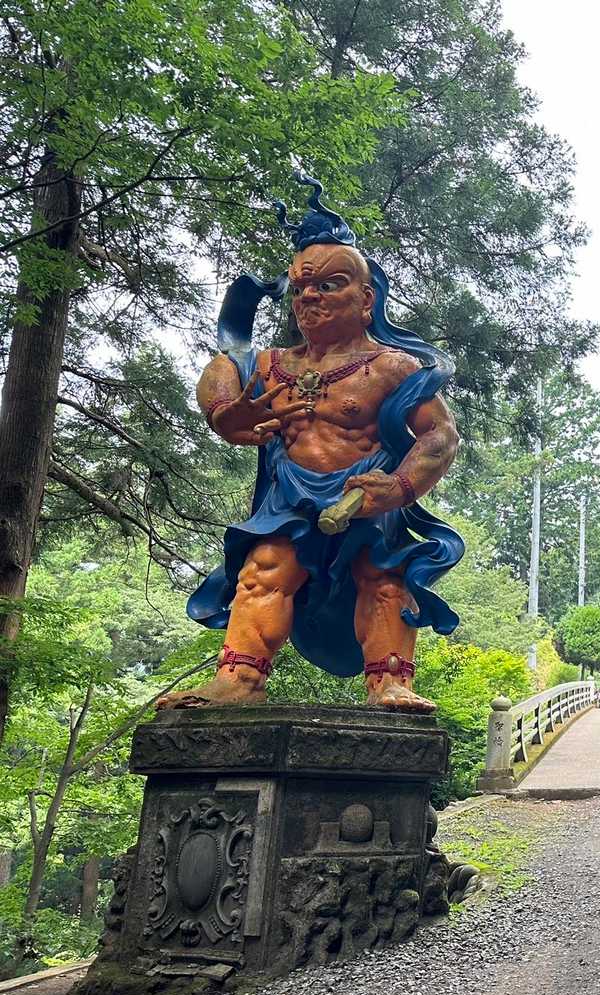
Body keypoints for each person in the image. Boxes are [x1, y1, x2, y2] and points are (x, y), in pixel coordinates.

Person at [158, 176, 462, 711]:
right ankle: (239, 681)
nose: (309, 298)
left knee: (383, 578)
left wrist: (397, 488)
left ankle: (389, 683)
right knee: (263, 571)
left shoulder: (392, 367)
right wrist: (226, 412)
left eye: (329, 284)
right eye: (300, 288)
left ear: (366, 298)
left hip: (364, 495)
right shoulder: (272, 365)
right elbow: (223, 369)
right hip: (288, 498)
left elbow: (440, 434)